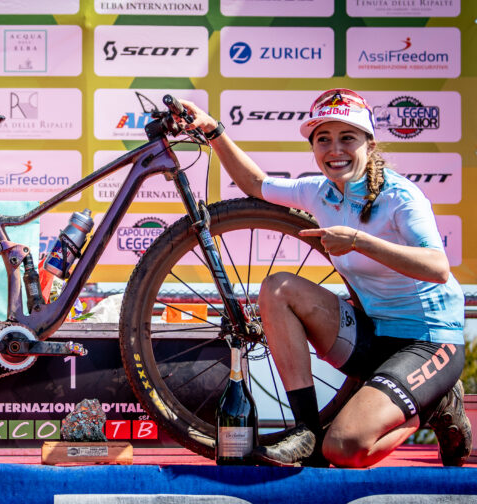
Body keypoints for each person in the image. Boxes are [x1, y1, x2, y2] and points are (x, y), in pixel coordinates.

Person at [176, 89, 471, 468]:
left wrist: (360, 242)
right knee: (277, 287)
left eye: (347, 138)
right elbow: (255, 184)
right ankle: (307, 432)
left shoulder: (401, 197)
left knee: (345, 449)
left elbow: (437, 267)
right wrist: (214, 131)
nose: (335, 150)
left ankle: (436, 407)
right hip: (374, 335)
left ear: (369, 143)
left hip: (427, 342)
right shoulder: (320, 193)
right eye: (323, 140)